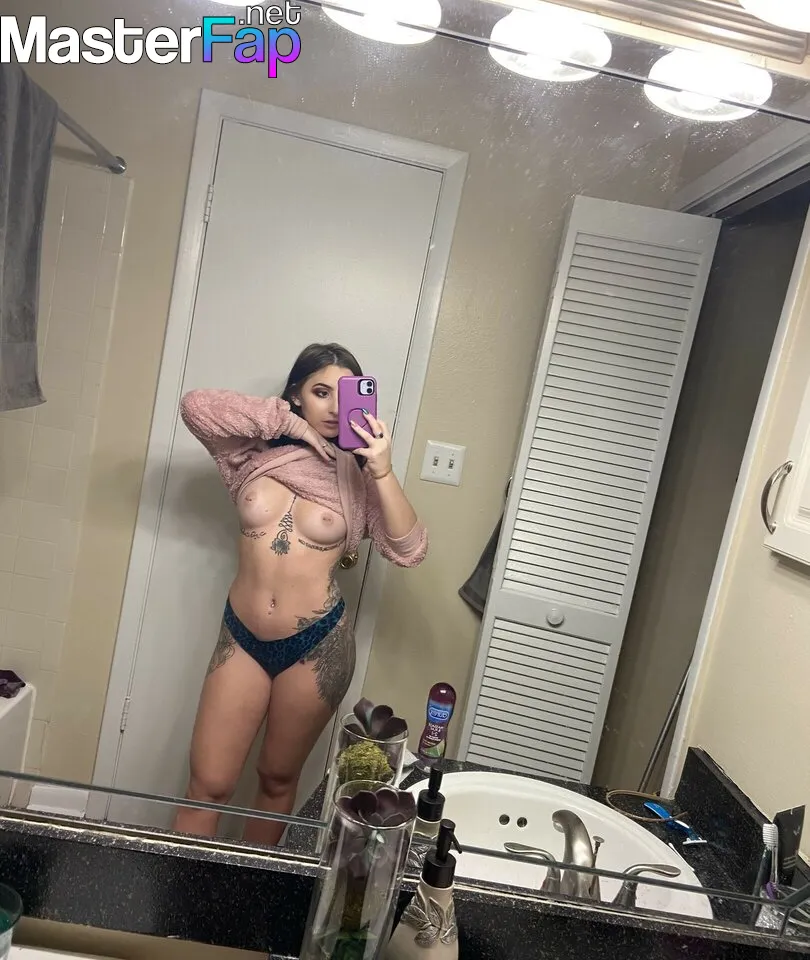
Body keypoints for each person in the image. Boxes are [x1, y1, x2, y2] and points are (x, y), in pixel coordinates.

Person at [172, 343, 428, 846]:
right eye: (320, 392)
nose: (334, 407)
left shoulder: (359, 480)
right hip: (241, 637)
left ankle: (250, 893)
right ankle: (177, 894)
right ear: (296, 395)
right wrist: (291, 425)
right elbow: (194, 406)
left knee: (276, 780)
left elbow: (409, 549)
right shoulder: (251, 454)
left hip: (317, 646)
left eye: (346, 395)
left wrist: (381, 470)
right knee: (207, 785)